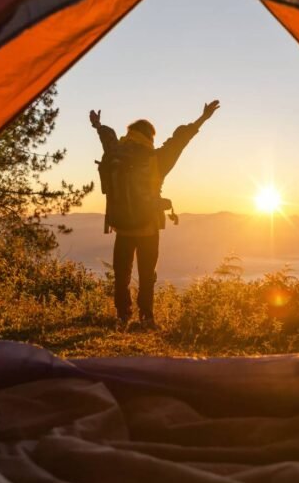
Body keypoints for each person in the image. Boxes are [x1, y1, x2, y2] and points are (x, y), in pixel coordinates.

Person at [90, 100, 220, 329]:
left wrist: (98, 125)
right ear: (149, 136)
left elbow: (107, 137)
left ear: (130, 133)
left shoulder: (116, 152)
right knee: (147, 274)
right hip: (148, 227)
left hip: (121, 225)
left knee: (122, 273)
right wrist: (203, 118)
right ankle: (146, 317)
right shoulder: (158, 158)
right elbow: (181, 139)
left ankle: (122, 316)